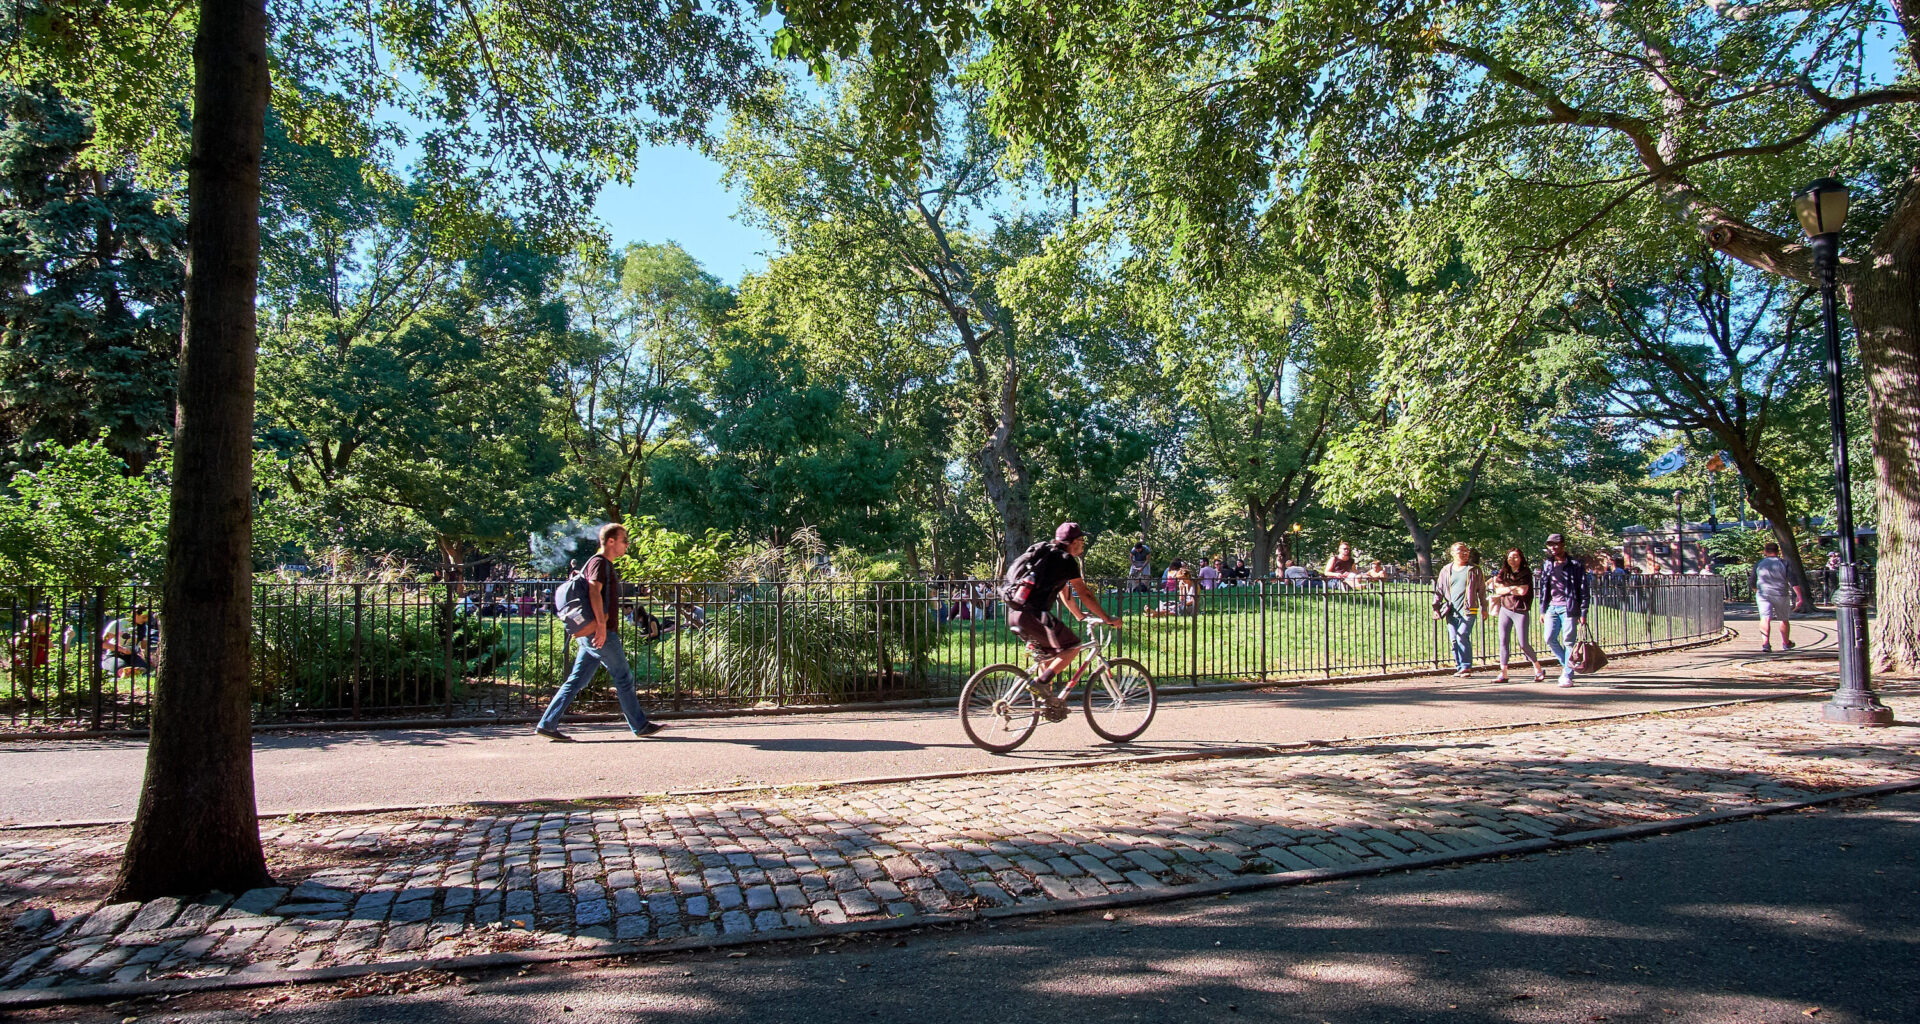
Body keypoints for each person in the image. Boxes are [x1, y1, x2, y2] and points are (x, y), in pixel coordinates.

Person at [535, 523, 665, 741]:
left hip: (592, 633)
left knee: (576, 680)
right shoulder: (599, 563)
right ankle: (640, 726)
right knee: (623, 677)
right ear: (611, 541)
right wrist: (602, 627)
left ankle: (547, 724)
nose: (627, 544)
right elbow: (595, 591)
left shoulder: (601, 564)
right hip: (600, 632)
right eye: (624, 539)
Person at [1004, 522, 1121, 686]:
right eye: (1082, 541)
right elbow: (1084, 593)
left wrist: (1079, 615)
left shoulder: (1047, 555)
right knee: (1072, 647)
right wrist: (1107, 618)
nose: (1083, 545)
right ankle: (1040, 684)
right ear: (1074, 542)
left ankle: (1044, 707)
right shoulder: (1066, 560)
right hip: (1035, 615)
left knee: (1049, 657)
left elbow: (1065, 593)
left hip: (1015, 614)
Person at [1537, 533, 1591, 687]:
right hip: (1551, 607)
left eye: (1556, 544)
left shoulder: (1575, 564)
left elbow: (1583, 589)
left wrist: (1583, 612)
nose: (1553, 548)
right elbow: (1543, 588)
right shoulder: (1548, 564)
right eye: (1550, 545)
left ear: (1563, 545)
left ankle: (1567, 674)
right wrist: (1542, 609)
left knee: (1568, 642)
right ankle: (1569, 665)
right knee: (1549, 638)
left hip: (1569, 608)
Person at [1489, 548, 1545, 683]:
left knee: (1523, 643)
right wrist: (1511, 589)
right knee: (1503, 641)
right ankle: (1503, 673)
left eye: (1515, 557)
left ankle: (1538, 668)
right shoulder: (1504, 572)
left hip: (1521, 610)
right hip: (1505, 609)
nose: (1512, 560)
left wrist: (1507, 589)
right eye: (1510, 557)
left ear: (1520, 558)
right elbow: (1498, 589)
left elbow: (1522, 591)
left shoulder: (1525, 573)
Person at [1432, 542, 1485, 676]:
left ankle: (1466, 666)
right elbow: (1439, 590)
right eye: (1461, 551)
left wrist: (1484, 607)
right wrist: (1435, 608)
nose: (1465, 553)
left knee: (1462, 635)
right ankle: (1459, 666)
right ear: (1452, 553)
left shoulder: (1474, 569)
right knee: (1454, 639)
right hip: (1451, 610)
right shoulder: (1446, 570)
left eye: (1466, 551)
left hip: (1469, 609)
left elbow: (1482, 590)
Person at [1753, 541, 1803, 654]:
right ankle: (1786, 643)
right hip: (1781, 593)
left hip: (1763, 594)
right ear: (1777, 551)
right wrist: (1799, 596)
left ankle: (1766, 643)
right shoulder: (1784, 563)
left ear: (1765, 551)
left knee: (1765, 618)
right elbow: (1793, 580)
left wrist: (1756, 590)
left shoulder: (1759, 564)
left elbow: (1752, 580)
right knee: (1783, 619)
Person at [101, 608, 155, 678]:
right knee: (122, 667)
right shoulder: (118, 624)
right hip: (114, 654)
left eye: (147, 618)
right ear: (135, 614)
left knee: (143, 668)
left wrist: (144, 639)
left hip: (132, 655)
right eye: (144, 617)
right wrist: (122, 649)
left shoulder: (145, 628)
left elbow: (143, 647)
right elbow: (103, 643)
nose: (145, 620)